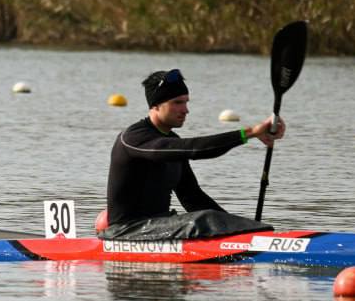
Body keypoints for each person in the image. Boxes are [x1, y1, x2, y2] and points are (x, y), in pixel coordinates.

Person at [103, 68, 284, 238]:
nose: (185, 110)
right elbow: (195, 149)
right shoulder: (134, 137)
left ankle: (263, 238)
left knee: (210, 216)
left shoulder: (173, 141)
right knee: (205, 219)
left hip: (159, 227)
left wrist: (243, 228)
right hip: (126, 231)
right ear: (156, 105)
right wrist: (249, 133)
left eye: (186, 102)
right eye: (177, 103)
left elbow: (193, 198)